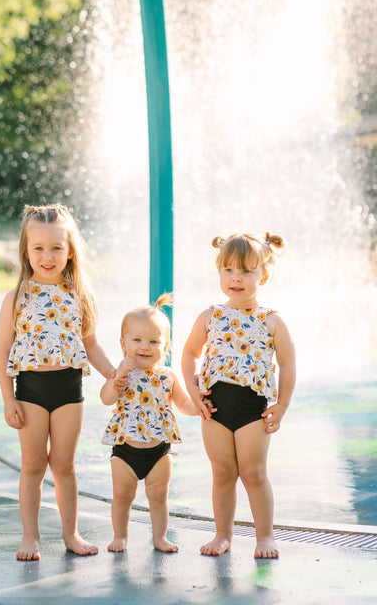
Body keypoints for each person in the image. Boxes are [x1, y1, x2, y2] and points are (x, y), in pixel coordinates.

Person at [0, 203, 116, 561]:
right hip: (30, 392)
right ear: (26, 251)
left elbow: (90, 345)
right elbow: (3, 352)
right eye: (39, 248)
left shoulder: (80, 296)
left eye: (56, 248)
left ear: (70, 251)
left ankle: (71, 534)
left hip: (69, 391)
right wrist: (8, 399)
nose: (47, 257)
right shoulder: (17, 298)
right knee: (33, 465)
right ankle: (30, 537)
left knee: (64, 465)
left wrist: (113, 374)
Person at [181, 232, 296, 559]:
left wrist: (282, 405)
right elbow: (189, 353)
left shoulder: (271, 321)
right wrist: (193, 392)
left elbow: (287, 364)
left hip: (252, 413)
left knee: (254, 474)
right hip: (214, 411)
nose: (236, 278)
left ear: (264, 275)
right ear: (219, 272)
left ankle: (265, 536)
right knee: (222, 474)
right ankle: (222, 534)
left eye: (246, 271)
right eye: (228, 270)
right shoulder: (210, 316)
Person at [100, 294, 199, 553]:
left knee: (159, 496)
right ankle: (120, 535)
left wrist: (200, 407)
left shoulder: (168, 376)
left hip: (159, 451)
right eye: (137, 340)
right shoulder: (122, 374)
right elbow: (106, 398)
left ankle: (160, 537)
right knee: (122, 496)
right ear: (123, 344)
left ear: (165, 347)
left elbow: (184, 404)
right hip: (125, 451)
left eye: (154, 341)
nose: (145, 347)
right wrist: (115, 381)